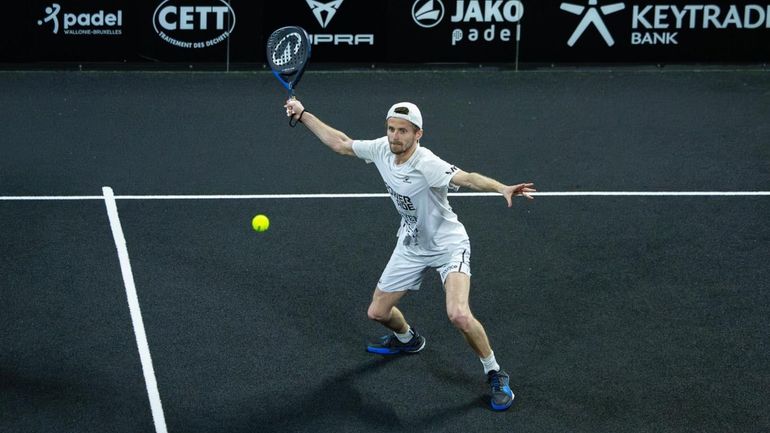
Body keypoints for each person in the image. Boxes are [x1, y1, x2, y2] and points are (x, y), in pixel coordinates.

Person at [284, 98, 535, 411]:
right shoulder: (380, 149)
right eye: (391, 129)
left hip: (447, 245)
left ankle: (495, 372)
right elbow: (341, 143)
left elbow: (467, 177)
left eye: (403, 131)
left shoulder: (427, 163)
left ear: (418, 134)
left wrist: (502, 188)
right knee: (377, 313)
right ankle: (408, 339)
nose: (394, 136)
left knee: (457, 314)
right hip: (412, 244)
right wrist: (304, 114)